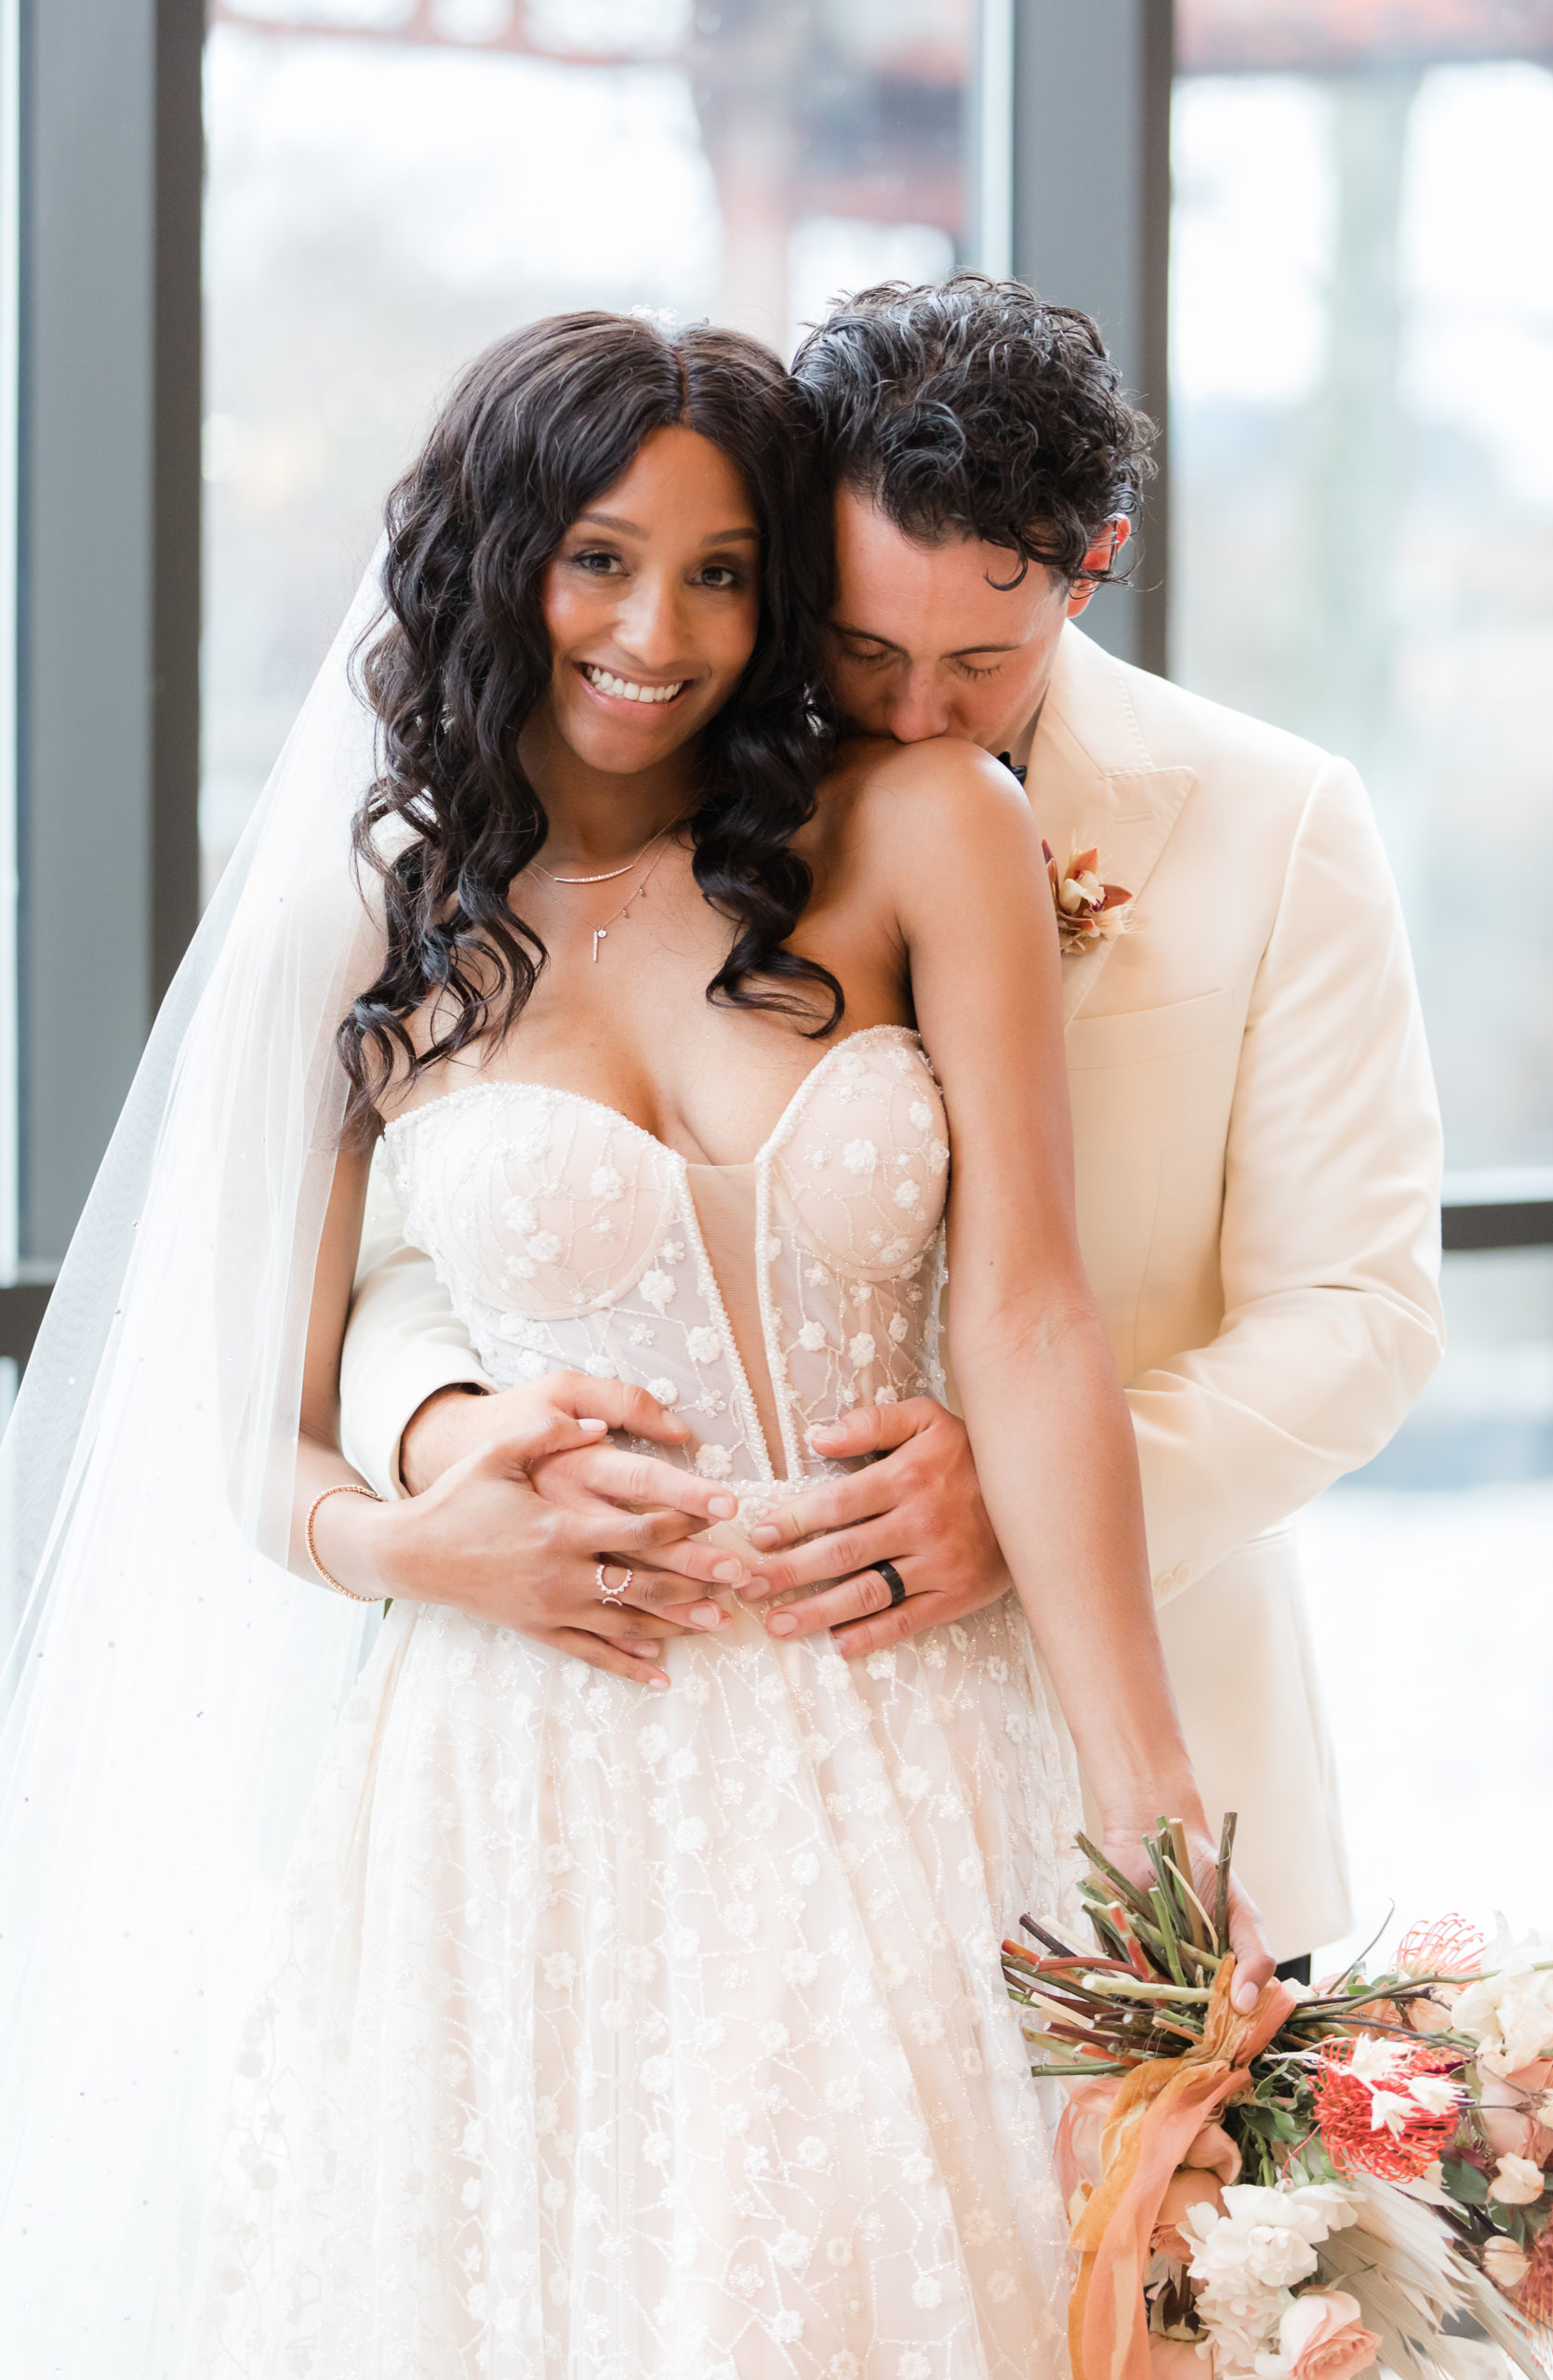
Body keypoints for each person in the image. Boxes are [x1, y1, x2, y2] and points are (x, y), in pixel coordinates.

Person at [0, 311, 1268, 2376]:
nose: (652, 630)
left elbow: (1026, 1310)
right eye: (598, 556)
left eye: (717, 571)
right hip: (523, 1773)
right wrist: (405, 1539)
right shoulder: (377, 918)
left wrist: (1155, 1814)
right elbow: (249, 1417)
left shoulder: (927, 818)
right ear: (495, 558)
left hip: (916, 1713)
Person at [338, 274, 1446, 1971]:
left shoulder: (1278, 821)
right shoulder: (659, 787)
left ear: (1094, 566)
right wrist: (442, 1432)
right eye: (861, 649)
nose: (913, 715)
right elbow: (444, 1212)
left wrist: (1027, 1496)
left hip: (1127, 1691)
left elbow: (1361, 1313)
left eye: (976, 661)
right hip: (674, 1743)